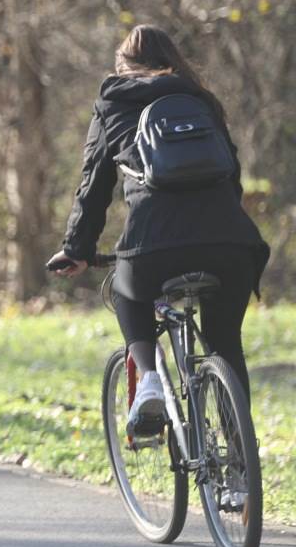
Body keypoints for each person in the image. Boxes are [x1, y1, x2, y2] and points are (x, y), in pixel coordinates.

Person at [49, 23, 270, 438]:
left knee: (125, 290)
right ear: (172, 60)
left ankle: (148, 377)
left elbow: (94, 185)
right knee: (225, 342)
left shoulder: (112, 100)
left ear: (123, 65)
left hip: (153, 244)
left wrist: (77, 248)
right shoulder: (199, 98)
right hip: (232, 242)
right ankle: (242, 469)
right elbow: (232, 174)